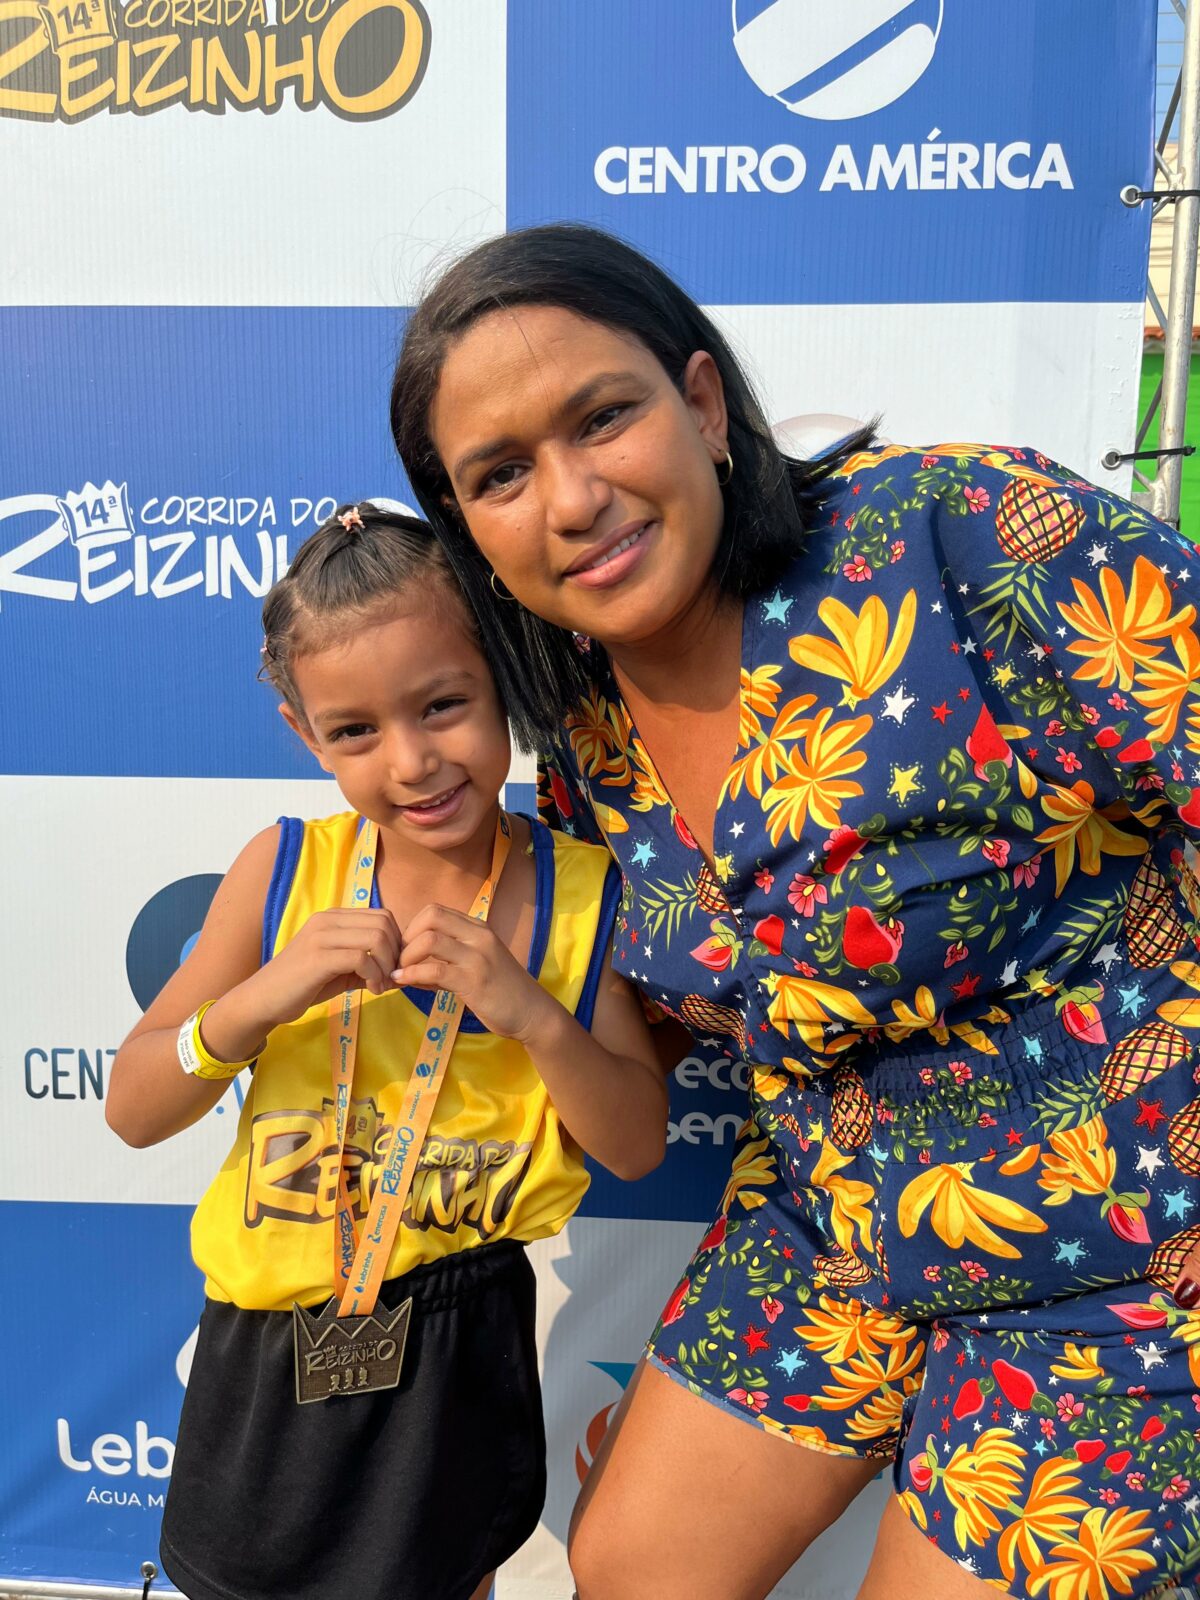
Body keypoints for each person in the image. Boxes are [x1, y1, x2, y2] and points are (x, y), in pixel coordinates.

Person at [389, 223, 1200, 1600]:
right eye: (503, 475)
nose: (573, 499)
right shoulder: (583, 739)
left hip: (1119, 1249)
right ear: (467, 528)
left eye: (605, 416)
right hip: (835, 1217)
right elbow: (655, 1037)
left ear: (702, 406)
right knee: (631, 1571)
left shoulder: (957, 537)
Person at [105, 503, 668, 1600]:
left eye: (444, 705)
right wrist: (259, 999)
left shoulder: (575, 891)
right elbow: (132, 1103)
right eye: (355, 730)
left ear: (502, 674)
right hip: (272, 1347)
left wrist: (535, 1016)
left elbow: (638, 1144)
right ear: (302, 730)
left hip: (461, 1338)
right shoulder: (279, 871)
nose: (412, 762)